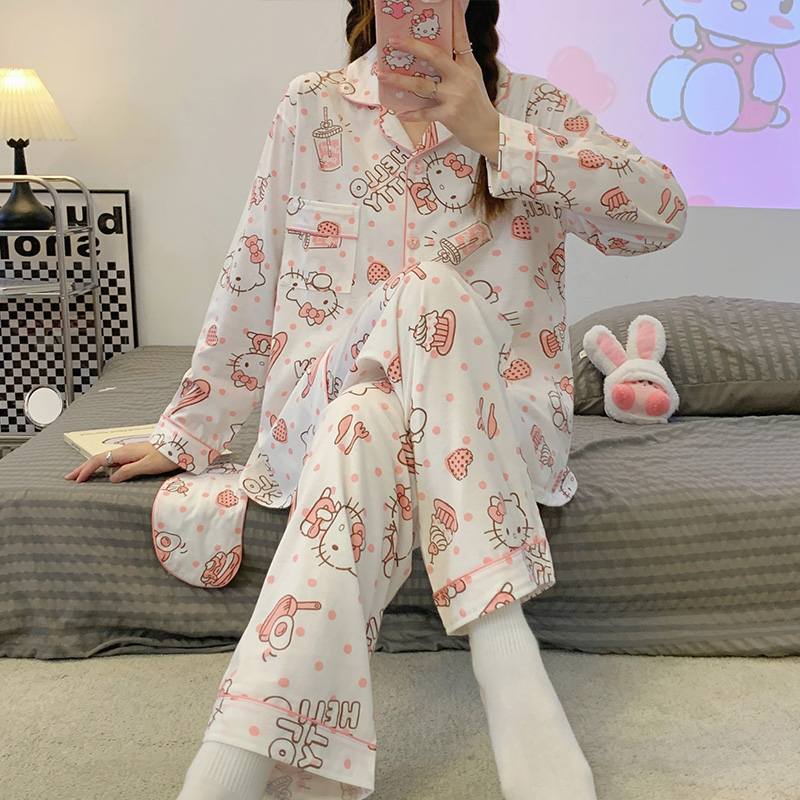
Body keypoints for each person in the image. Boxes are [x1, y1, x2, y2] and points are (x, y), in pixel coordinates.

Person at [66, 1, 688, 797]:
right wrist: (186, 432)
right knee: (423, 295)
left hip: (494, 420)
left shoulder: (531, 108)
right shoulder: (312, 106)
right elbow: (253, 270)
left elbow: (662, 215)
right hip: (319, 394)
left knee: (366, 420)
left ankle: (232, 764)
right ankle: (505, 650)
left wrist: (495, 136)